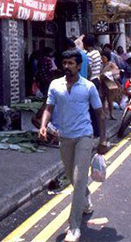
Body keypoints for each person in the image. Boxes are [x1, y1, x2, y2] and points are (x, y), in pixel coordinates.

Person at [38, 50, 108, 242]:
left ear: (79, 66)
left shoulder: (88, 87)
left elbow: (100, 113)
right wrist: (44, 126)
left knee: (78, 179)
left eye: (71, 63)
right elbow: (49, 108)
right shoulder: (55, 85)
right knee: (72, 177)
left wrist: (103, 140)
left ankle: (74, 226)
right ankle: (85, 200)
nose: (67, 66)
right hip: (64, 138)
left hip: (84, 137)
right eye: (65, 63)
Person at [83, 35, 102, 137]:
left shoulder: (89, 55)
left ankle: (95, 131)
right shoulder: (97, 53)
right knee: (94, 107)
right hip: (96, 80)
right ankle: (97, 130)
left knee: (90, 108)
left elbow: (88, 70)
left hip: (91, 81)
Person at [100, 51, 121, 120]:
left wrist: (108, 74)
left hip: (109, 83)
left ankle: (111, 114)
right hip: (102, 83)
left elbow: (116, 72)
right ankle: (104, 113)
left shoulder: (111, 64)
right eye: (102, 57)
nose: (102, 59)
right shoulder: (101, 64)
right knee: (102, 99)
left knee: (110, 100)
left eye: (103, 57)